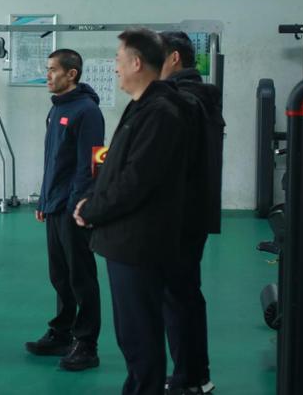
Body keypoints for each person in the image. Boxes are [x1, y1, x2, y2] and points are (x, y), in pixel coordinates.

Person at [73, 28, 190, 395]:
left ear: (137, 63)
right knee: (133, 333)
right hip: (125, 240)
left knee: (140, 334)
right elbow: (117, 167)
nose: (114, 68)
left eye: (118, 60)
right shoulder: (142, 107)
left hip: (138, 241)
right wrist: (91, 199)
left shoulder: (161, 113)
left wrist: (93, 209)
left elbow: (136, 180)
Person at [25, 49, 104, 371]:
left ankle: (86, 344)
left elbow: (91, 164)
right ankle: (62, 333)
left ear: (71, 74)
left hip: (74, 208)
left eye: (53, 70)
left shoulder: (88, 112)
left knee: (81, 277)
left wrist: (78, 205)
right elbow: (53, 161)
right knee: (60, 275)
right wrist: (44, 200)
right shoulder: (56, 109)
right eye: (47, 69)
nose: (47, 75)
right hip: (55, 205)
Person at [160, 31, 225, 395]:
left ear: (174, 58)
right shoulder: (200, 96)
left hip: (179, 216)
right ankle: (196, 375)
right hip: (193, 212)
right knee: (185, 294)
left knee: (178, 296)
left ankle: (188, 378)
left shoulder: (182, 101)